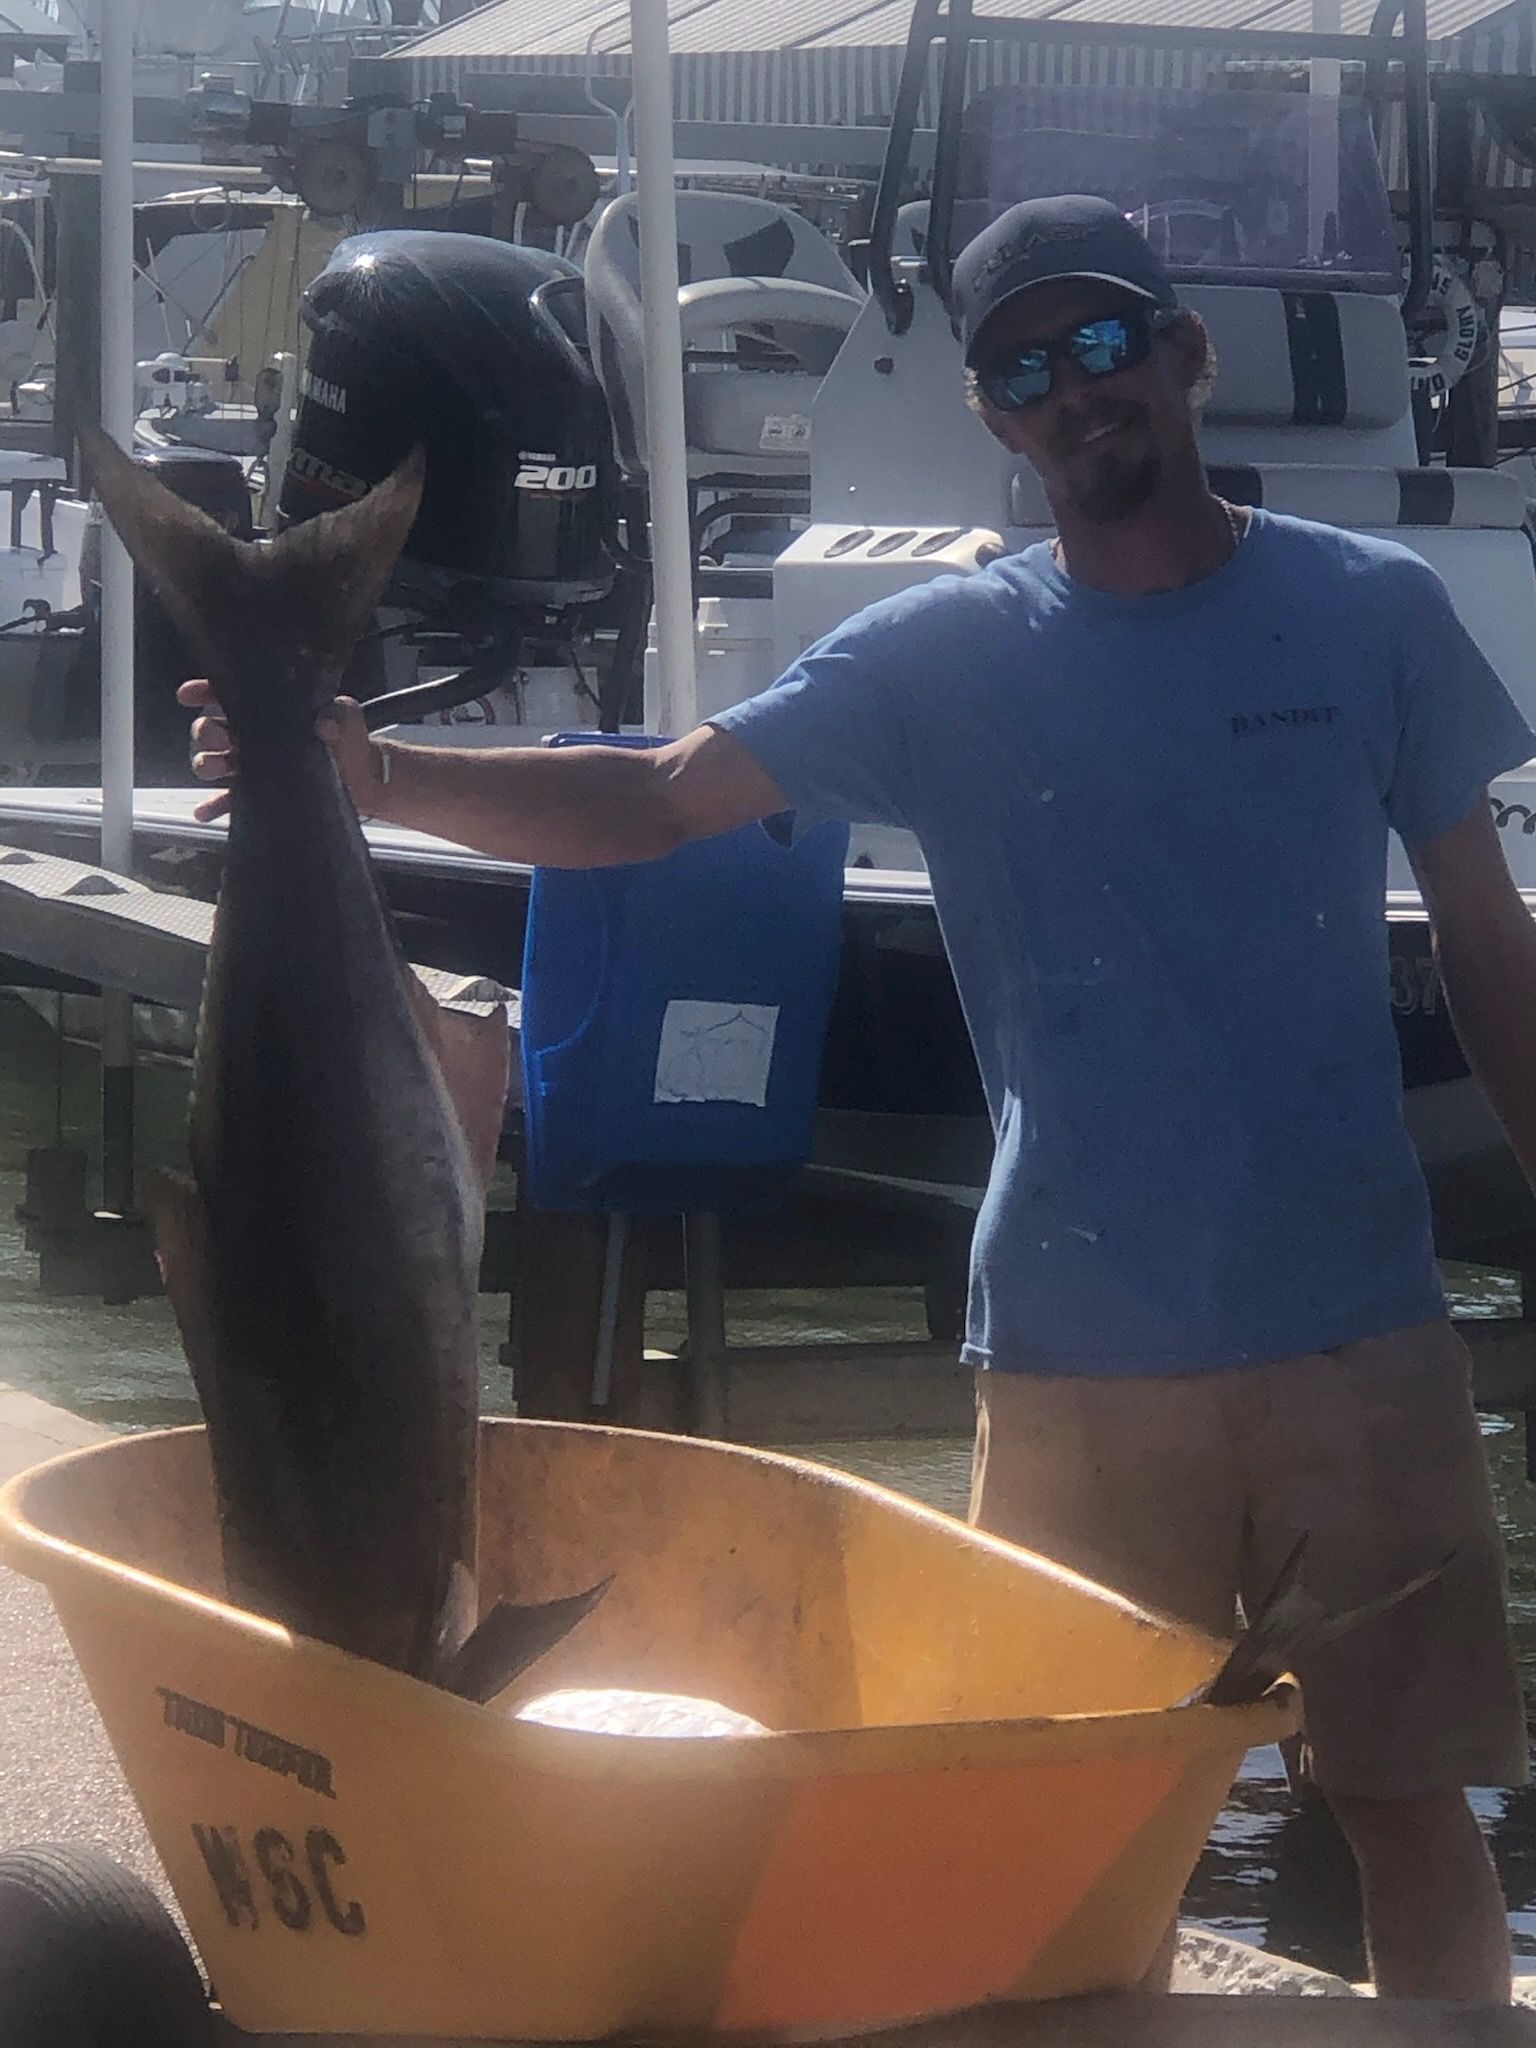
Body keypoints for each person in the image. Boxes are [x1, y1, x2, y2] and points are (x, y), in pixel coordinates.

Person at [183, 194, 1534, 2001]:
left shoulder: (1376, 614)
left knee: (1407, 1802)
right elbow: (655, 801)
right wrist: (365, 770)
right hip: (1073, 1352)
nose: (1079, 395)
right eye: (1027, 369)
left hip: (1363, 1334)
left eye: (1109, 344)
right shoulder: (942, 655)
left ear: (1186, 355)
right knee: (1051, 1819)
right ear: (991, 413)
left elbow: (1487, 938)